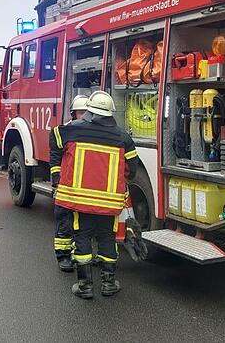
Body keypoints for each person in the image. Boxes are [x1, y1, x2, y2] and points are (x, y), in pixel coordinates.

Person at [49, 91, 138, 299]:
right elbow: (131, 171)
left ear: (89, 110)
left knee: (82, 239)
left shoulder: (72, 131)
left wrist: (58, 171)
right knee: (107, 239)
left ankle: (85, 286)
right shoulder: (123, 138)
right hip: (109, 203)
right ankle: (108, 284)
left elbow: (54, 136)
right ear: (110, 113)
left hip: (80, 201)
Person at [52, 95, 89, 272]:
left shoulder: (91, 131)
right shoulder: (63, 132)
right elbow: (55, 158)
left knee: (83, 224)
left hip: (84, 186)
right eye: (81, 112)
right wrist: (56, 183)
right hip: (66, 186)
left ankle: (80, 254)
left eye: (86, 113)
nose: (83, 116)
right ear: (73, 114)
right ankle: (63, 256)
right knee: (64, 222)